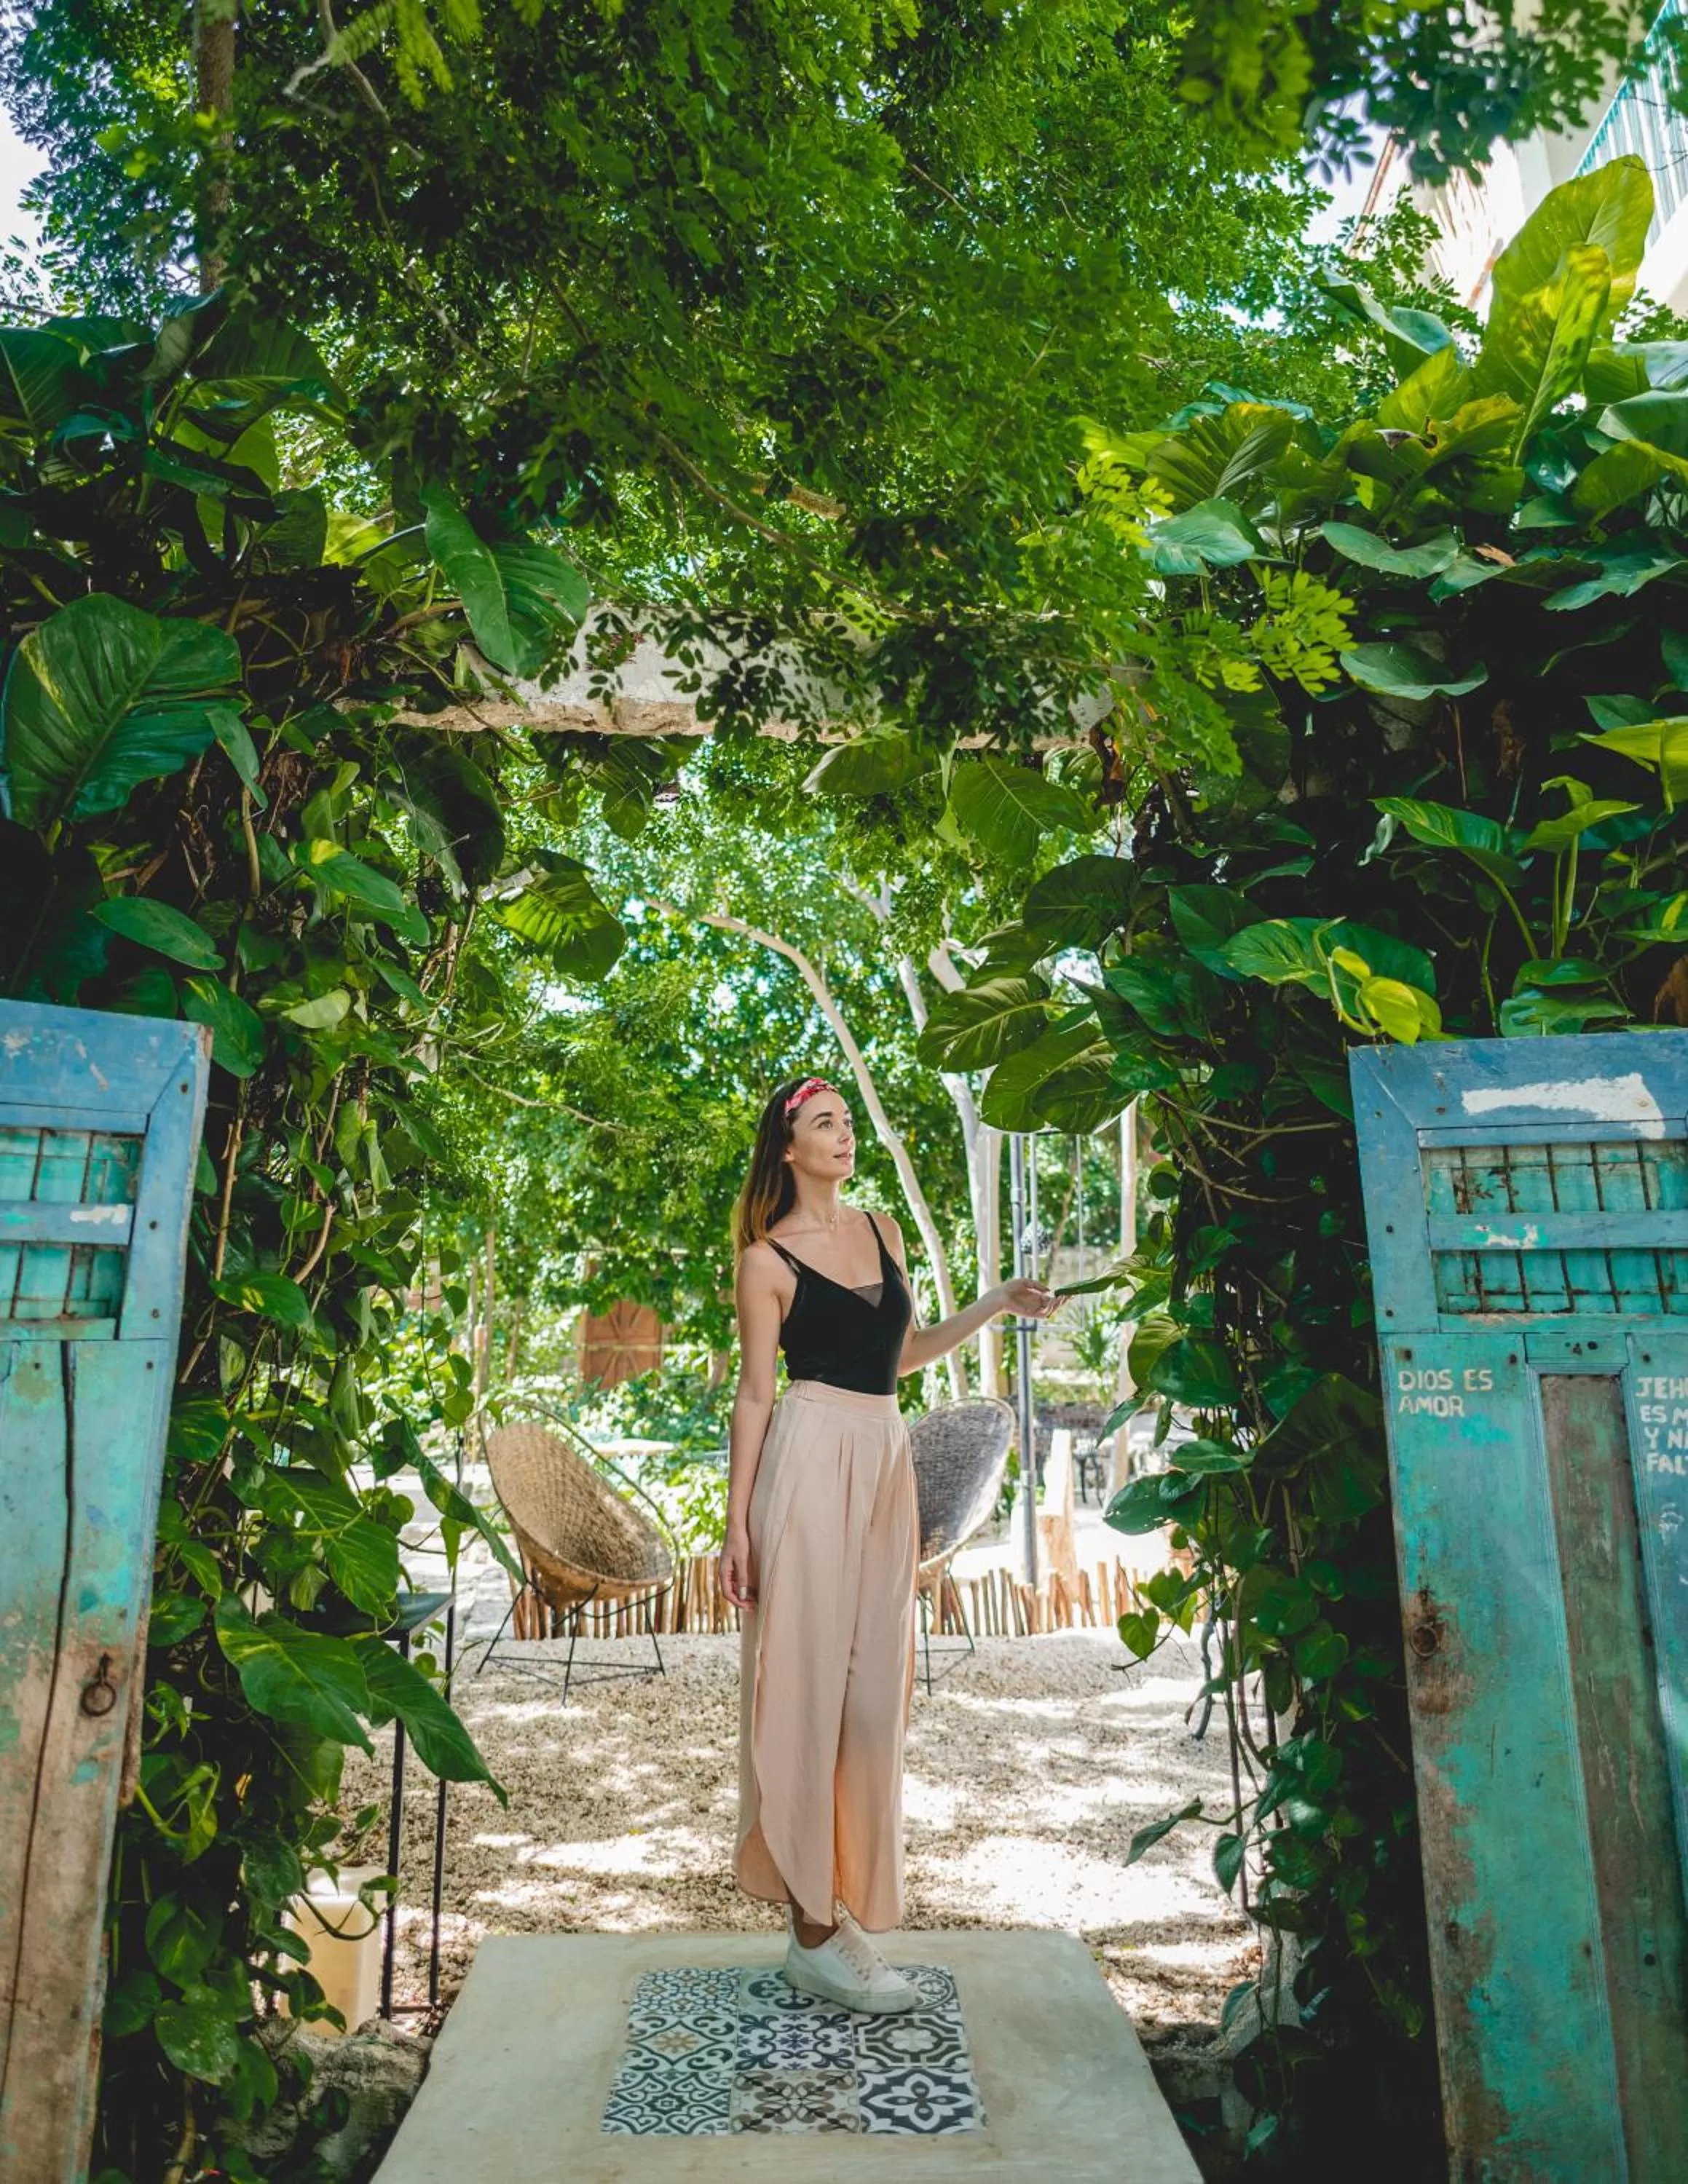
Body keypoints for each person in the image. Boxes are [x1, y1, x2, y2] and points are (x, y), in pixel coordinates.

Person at [722, 1074, 1056, 2014]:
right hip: (807, 1454)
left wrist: (994, 1303)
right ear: (788, 1147)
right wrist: (736, 1524)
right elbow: (754, 1394)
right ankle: (812, 1929)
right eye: (825, 1124)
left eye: (847, 1123)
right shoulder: (764, 1262)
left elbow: (899, 1357)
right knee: (801, 1689)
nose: (844, 1136)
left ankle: (834, 1905)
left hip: (881, 1455)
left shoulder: (883, 1231)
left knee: (874, 1700)